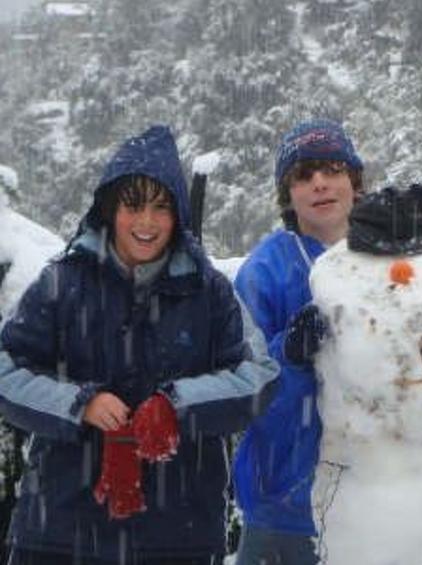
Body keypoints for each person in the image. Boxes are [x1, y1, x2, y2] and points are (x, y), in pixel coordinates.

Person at [0, 125, 278, 565]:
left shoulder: (209, 291)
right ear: (109, 210)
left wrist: (177, 406)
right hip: (58, 532)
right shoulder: (62, 284)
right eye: (132, 205)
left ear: (178, 214)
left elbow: (259, 375)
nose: (146, 222)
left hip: (178, 539)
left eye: (161, 207)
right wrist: (78, 404)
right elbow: (6, 370)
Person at [232, 118, 364, 565]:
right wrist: (287, 356)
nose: (320, 184)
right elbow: (242, 387)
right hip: (283, 505)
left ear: (355, 180)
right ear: (287, 194)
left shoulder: (389, 258)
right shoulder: (265, 270)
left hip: (374, 500)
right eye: (303, 175)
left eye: (333, 169)